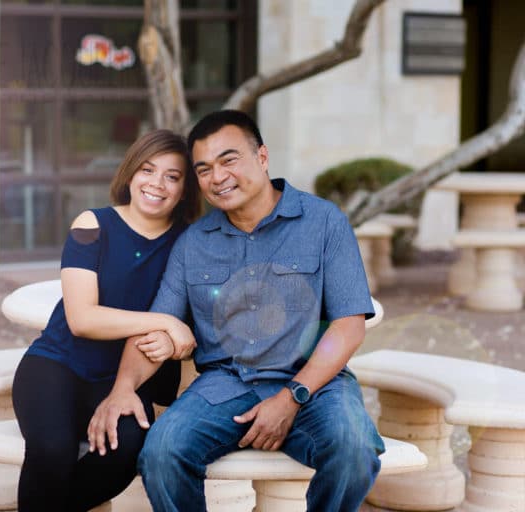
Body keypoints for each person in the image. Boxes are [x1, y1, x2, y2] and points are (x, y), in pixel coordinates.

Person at [87, 110, 385, 512]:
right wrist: (122, 389)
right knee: (161, 453)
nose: (218, 177)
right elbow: (155, 330)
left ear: (262, 157)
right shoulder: (194, 243)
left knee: (353, 450)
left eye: (230, 160)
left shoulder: (324, 222)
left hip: (314, 383)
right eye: (204, 169)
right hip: (224, 386)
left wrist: (292, 396)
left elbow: (349, 327)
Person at [11, 129, 202, 512]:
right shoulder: (92, 225)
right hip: (56, 365)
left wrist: (179, 335)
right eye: (148, 170)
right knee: (52, 450)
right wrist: (164, 320)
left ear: (185, 190)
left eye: (172, 176)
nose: (156, 183)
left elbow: (199, 318)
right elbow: (82, 319)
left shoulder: (192, 243)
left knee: (123, 454)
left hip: (128, 380)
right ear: (131, 173)